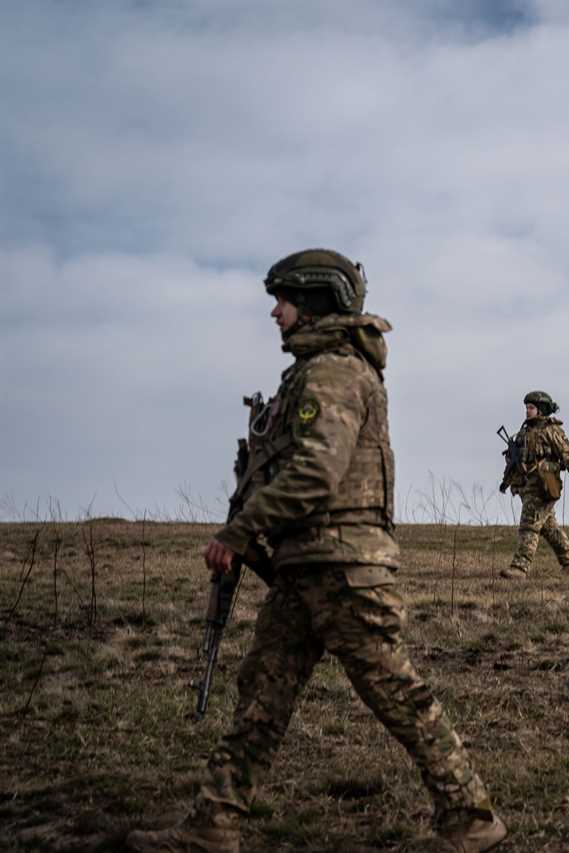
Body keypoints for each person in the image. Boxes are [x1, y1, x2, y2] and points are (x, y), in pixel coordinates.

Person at [127, 249, 506, 853]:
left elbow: (317, 471)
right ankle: (214, 823)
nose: (275, 314)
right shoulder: (311, 372)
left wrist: (240, 529)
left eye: (283, 302)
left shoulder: (333, 372)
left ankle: (471, 818)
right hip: (306, 565)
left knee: (393, 689)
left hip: (343, 566)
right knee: (263, 691)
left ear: (313, 304)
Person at [497, 391, 569, 579]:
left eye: (531, 408)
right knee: (549, 527)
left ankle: (519, 568)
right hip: (527, 487)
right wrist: (506, 483)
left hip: (544, 487)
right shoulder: (525, 433)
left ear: (541, 410)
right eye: (527, 408)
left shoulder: (551, 431)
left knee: (529, 525)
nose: (527, 411)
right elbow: (515, 463)